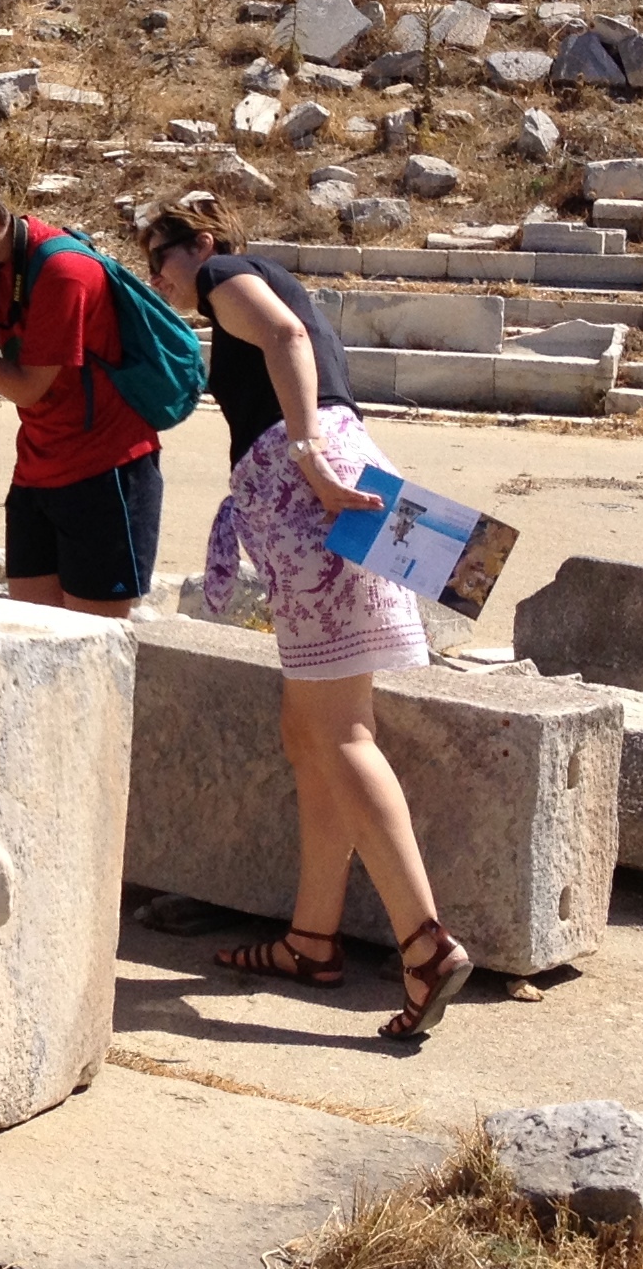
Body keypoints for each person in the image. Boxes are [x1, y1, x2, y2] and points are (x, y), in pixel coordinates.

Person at [136, 197, 475, 1041]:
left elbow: (285, 341)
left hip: (312, 501)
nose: (160, 276)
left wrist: (308, 465)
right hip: (334, 501)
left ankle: (424, 943)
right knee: (310, 729)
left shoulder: (225, 276)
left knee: (341, 732)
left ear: (203, 243)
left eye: (161, 258)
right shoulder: (254, 287)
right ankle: (310, 938)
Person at [0, 165, 163, 618]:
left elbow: (28, 389)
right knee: (32, 633)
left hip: (104, 473)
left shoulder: (63, 270)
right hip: (38, 473)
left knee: (89, 642)